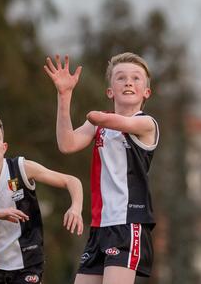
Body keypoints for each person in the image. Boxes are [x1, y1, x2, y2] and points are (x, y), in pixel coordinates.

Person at [43, 53, 159, 284]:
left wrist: (95, 118)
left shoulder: (146, 123)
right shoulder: (100, 123)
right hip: (100, 226)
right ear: (110, 91)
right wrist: (64, 95)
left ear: (146, 92)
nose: (128, 82)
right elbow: (67, 144)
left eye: (136, 78)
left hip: (128, 224)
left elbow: (111, 121)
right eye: (120, 78)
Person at [0, 110, 84, 284]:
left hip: (28, 264)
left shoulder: (22, 168)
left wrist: (75, 207)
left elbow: (71, 181)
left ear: (4, 147)